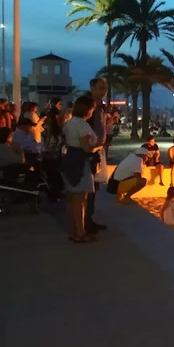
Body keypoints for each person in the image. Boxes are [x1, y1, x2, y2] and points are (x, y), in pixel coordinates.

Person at [61, 96, 102, 243]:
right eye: (92, 109)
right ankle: (80, 232)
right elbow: (86, 147)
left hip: (69, 160)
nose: (92, 111)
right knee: (80, 199)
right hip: (80, 162)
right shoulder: (82, 125)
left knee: (71, 199)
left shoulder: (70, 122)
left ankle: (73, 230)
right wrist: (98, 146)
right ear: (87, 109)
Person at [84, 77, 110, 234]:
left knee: (95, 187)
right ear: (92, 87)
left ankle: (88, 219)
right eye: (100, 87)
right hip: (90, 150)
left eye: (105, 88)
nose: (103, 91)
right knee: (89, 188)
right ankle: (85, 222)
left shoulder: (99, 105)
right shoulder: (87, 105)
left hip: (97, 149)